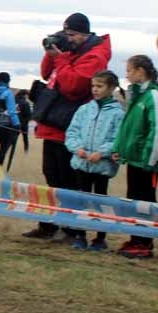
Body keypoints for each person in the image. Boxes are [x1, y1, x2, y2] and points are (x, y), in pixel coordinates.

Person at [23, 12, 112, 240]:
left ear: (84, 34)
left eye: (71, 34)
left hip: (69, 126)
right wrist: (52, 53)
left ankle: (71, 229)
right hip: (54, 123)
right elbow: (46, 73)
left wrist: (61, 59)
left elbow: (74, 86)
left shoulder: (95, 56)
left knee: (67, 180)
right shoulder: (70, 52)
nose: (68, 38)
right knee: (51, 175)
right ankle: (51, 224)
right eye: (65, 33)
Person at [112, 55, 158, 259]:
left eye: (129, 70)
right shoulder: (138, 96)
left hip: (147, 162)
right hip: (134, 159)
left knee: (146, 201)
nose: (127, 75)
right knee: (134, 199)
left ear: (140, 71)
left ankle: (145, 243)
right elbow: (129, 128)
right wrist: (119, 149)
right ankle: (136, 238)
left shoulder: (154, 96)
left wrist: (151, 159)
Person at [63, 70, 124, 251]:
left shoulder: (118, 113)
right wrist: (77, 148)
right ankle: (80, 235)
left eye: (100, 86)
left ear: (111, 88)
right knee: (81, 199)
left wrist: (103, 152)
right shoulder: (84, 110)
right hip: (82, 163)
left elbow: (118, 138)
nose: (95, 90)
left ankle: (100, 237)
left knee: (100, 201)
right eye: (93, 86)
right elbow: (72, 132)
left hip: (102, 166)